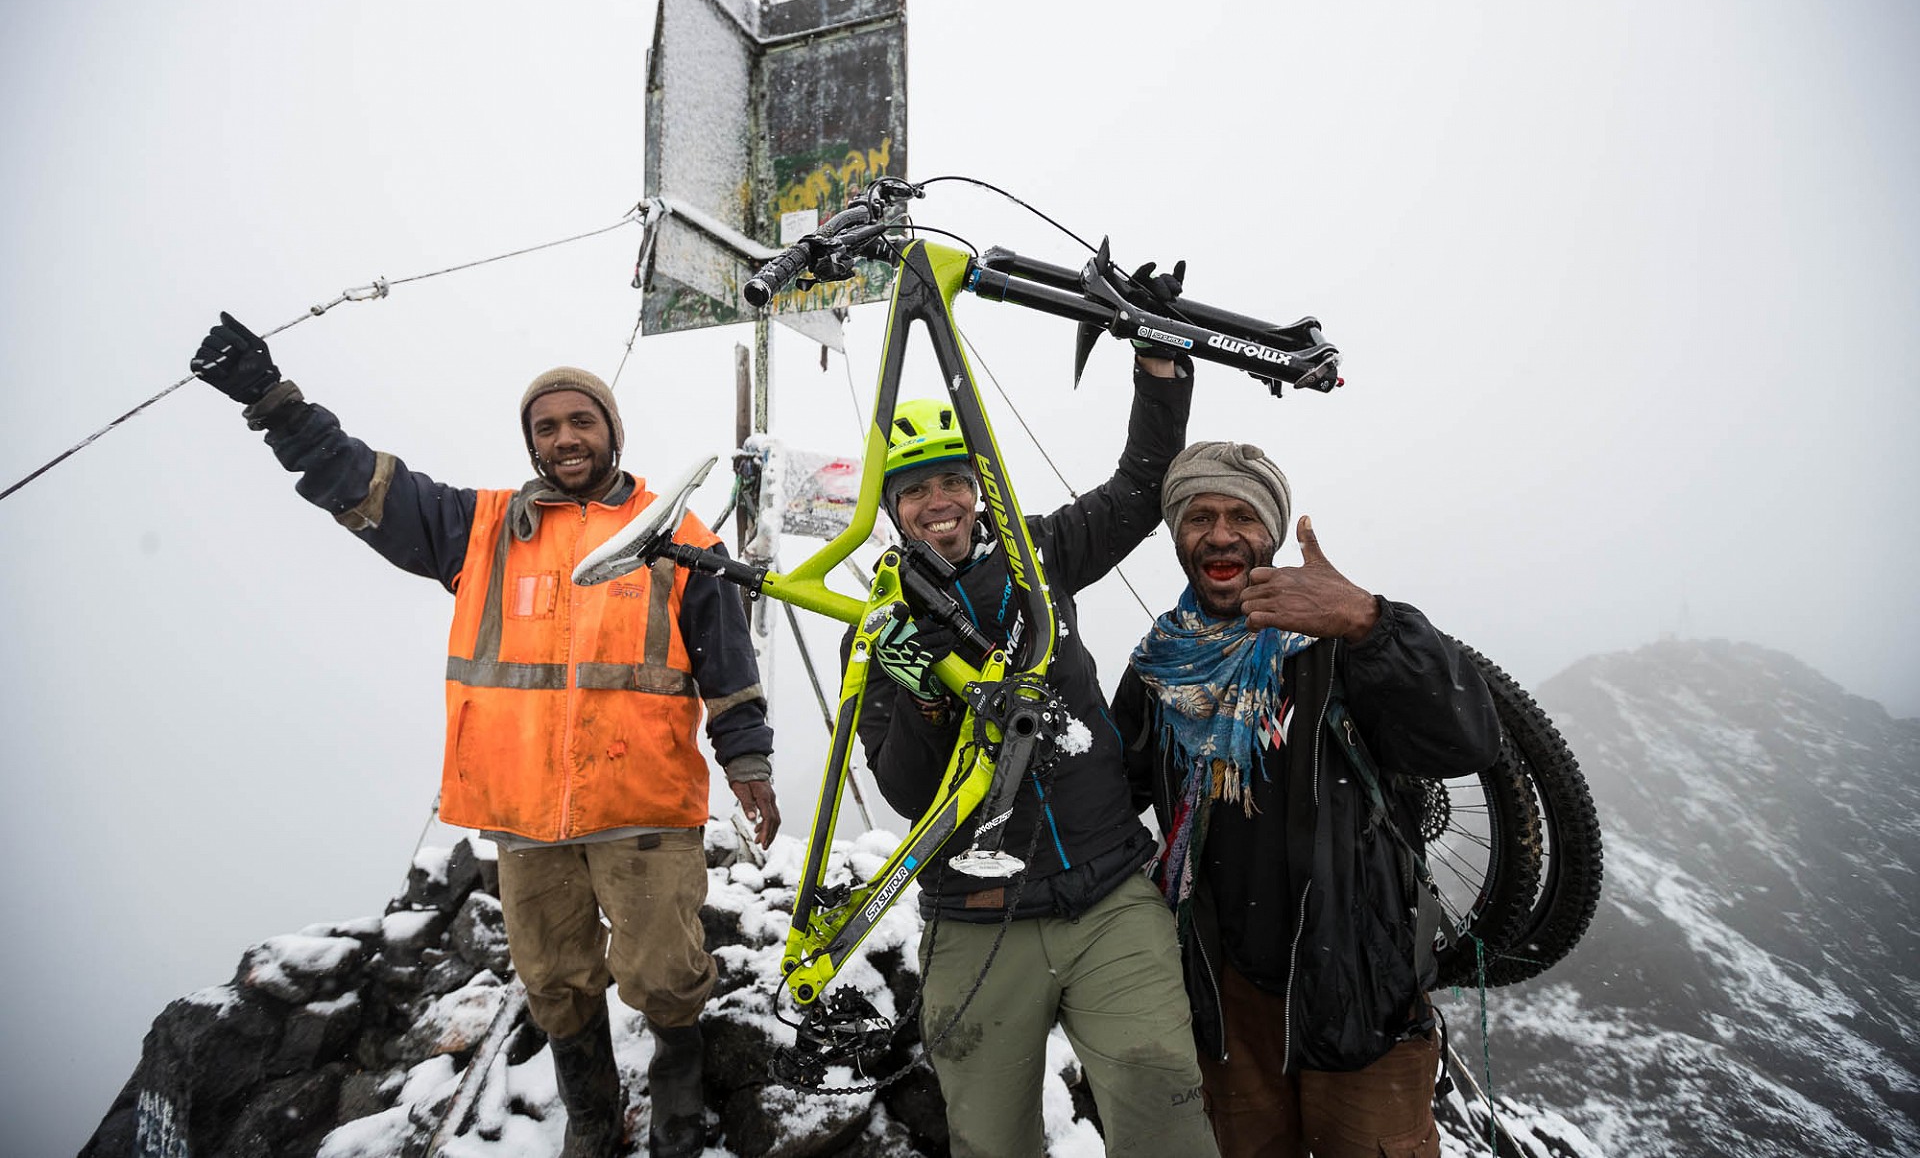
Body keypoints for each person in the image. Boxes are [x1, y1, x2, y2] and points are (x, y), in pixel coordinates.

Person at [190, 312, 778, 1158]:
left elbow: (727, 667)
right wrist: (274, 402)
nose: (565, 437)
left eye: (582, 421)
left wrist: (749, 761)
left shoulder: (677, 534)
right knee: (555, 979)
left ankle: (679, 1090)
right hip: (523, 815)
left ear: (611, 431)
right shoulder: (482, 528)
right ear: (532, 443)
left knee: (663, 972)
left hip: (644, 807)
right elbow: (358, 480)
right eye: (548, 426)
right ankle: (590, 1111)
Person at [855, 342, 1220, 1158]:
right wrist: (920, 692)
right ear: (893, 508)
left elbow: (1140, 485)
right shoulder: (880, 629)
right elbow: (909, 793)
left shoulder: (1038, 552)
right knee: (990, 1141)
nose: (938, 501)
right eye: (915, 489)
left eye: (953, 479)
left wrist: (1157, 369)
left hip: (1109, 894)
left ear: (979, 488)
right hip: (976, 920)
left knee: (1166, 1108)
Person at [1113, 441, 1502, 1158]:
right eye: (1200, 515)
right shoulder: (1158, 668)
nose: (1222, 533)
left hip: (1363, 1000)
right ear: (1178, 538)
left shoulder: (1339, 645)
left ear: (1271, 533)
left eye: (1241, 516)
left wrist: (1369, 619)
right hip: (1231, 1012)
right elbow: (1109, 795)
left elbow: (1470, 736)